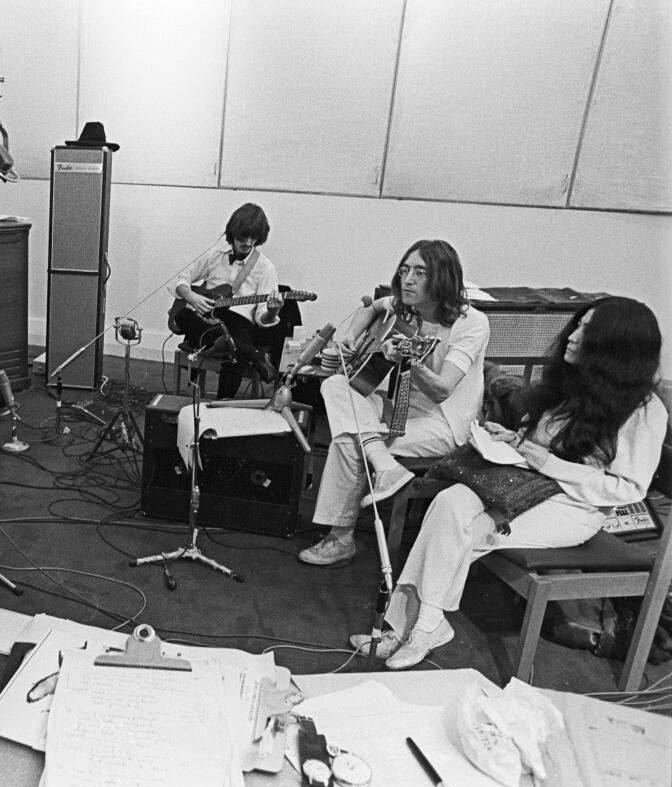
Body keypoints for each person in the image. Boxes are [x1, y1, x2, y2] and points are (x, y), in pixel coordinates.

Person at [351, 297, 667, 669]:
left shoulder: (645, 410)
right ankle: (422, 625)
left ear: (615, 346)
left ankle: (417, 626)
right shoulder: (573, 384)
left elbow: (628, 489)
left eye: (587, 330)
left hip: (576, 507)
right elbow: (543, 442)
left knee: (468, 527)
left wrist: (550, 463)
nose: (572, 335)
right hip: (524, 482)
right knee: (450, 502)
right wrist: (514, 440)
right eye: (578, 324)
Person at [299, 240, 490, 566]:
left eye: (419, 272)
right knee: (335, 384)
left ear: (442, 278)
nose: (407, 280)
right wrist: (351, 337)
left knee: (349, 439)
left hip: (444, 423)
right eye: (404, 270)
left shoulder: (471, 323)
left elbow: (442, 390)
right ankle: (383, 464)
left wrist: (409, 360)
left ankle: (340, 537)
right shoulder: (405, 307)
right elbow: (373, 307)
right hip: (399, 409)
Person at [170, 203, 284, 399]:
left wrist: (272, 312)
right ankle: (252, 353)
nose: (248, 242)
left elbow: (260, 318)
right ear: (232, 233)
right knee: (181, 315)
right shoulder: (215, 255)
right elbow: (180, 279)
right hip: (208, 317)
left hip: (240, 323)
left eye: (253, 238)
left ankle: (221, 404)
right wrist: (191, 296)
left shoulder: (266, 268)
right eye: (243, 237)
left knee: (234, 353)